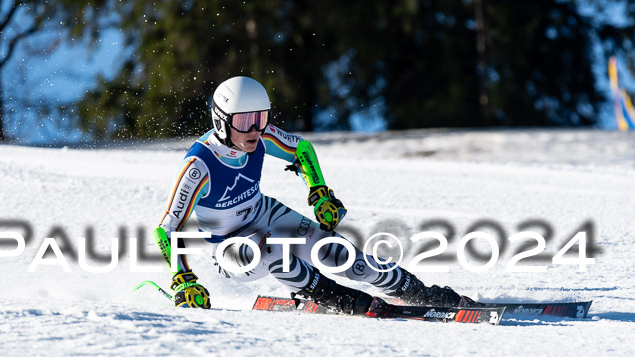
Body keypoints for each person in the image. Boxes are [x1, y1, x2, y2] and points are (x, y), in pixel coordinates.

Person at [155, 76, 474, 314]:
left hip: (265, 214)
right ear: (221, 120)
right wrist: (183, 279)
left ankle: (420, 293)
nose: (255, 130)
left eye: (260, 118)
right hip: (230, 248)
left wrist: (320, 193)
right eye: (244, 121)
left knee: (344, 256)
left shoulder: (261, 136)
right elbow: (167, 228)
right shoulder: (199, 166)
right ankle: (331, 296)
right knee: (271, 251)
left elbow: (301, 149)